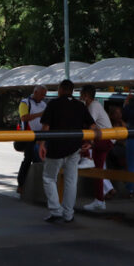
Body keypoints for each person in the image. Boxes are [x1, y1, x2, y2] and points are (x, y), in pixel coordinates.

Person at [38, 79, 93, 223]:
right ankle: (68, 214)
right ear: (72, 91)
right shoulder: (80, 106)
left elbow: (46, 127)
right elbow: (93, 126)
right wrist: (89, 142)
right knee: (71, 181)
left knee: (49, 178)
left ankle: (56, 210)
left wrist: (42, 144)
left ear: (60, 89)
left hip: (56, 147)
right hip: (75, 148)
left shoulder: (53, 104)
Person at [80, 85, 115, 212]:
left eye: (81, 94)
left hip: (104, 139)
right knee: (98, 171)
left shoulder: (93, 106)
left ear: (86, 95)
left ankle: (86, 157)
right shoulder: (91, 106)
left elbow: (91, 125)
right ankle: (99, 200)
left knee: (80, 145)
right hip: (102, 139)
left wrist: (89, 143)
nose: (79, 96)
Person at [16, 85, 47, 193]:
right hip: (29, 135)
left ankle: (37, 186)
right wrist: (40, 114)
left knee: (40, 160)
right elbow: (24, 117)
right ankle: (21, 184)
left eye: (44, 94)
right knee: (28, 160)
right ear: (35, 92)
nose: (43, 96)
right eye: (42, 94)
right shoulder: (25, 102)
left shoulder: (43, 104)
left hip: (41, 135)